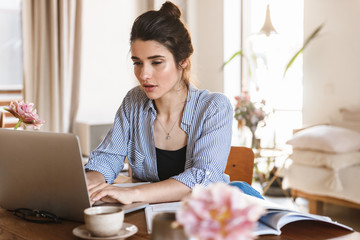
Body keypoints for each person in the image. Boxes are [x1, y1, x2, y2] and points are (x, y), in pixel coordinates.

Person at [85, 1, 262, 205]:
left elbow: (203, 178)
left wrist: (135, 194)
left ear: (183, 60)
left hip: (203, 217)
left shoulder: (214, 107)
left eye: (156, 62)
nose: (144, 74)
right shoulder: (134, 101)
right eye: (137, 63)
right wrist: (90, 186)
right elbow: (107, 157)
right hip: (148, 217)